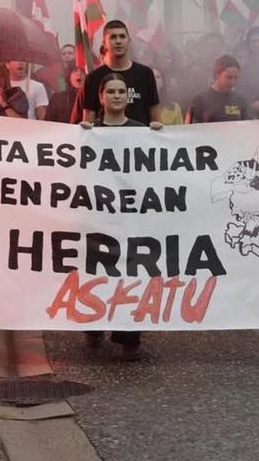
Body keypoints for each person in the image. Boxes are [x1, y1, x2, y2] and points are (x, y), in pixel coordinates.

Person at [79, 73, 148, 361]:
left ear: (127, 97)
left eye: (122, 91)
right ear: (102, 97)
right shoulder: (88, 131)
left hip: (129, 215)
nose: (117, 95)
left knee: (129, 273)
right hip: (97, 214)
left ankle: (128, 336)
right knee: (98, 271)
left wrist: (158, 134)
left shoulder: (141, 131)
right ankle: (94, 324)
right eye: (112, 91)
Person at [80, 19, 163, 130]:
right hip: (104, 142)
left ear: (129, 41)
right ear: (104, 43)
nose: (118, 41)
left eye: (122, 36)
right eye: (113, 37)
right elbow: (88, 123)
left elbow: (156, 117)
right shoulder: (93, 78)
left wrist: (157, 130)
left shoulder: (145, 74)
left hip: (139, 142)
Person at [185, 55, 249, 123]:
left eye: (236, 78)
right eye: (229, 77)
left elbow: (246, 129)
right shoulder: (200, 100)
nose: (233, 82)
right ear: (217, 74)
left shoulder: (240, 100)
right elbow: (189, 129)